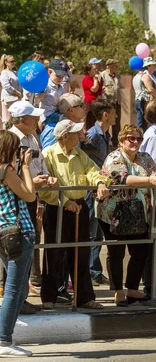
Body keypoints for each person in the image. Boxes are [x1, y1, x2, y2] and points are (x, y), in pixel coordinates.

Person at [38, 120, 110, 310]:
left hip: (79, 207)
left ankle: (84, 297)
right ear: (64, 136)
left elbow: (92, 171)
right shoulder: (49, 155)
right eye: (75, 132)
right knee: (54, 254)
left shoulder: (80, 154)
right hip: (56, 208)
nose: (79, 135)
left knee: (81, 252)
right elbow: (44, 188)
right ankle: (49, 297)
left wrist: (100, 183)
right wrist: (64, 201)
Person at [96, 125, 156, 306]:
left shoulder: (145, 157)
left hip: (141, 212)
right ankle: (118, 291)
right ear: (121, 141)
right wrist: (150, 180)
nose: (135, 142)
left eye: (138, 139)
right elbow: (123, 179)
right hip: (114, 213)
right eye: (130, 138)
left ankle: (133, 290)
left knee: (140, 251)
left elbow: (153, 173)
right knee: (116, 252)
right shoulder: (114, 157)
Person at [7, 101, 57, 304]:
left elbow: (39, 163)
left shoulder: (32, 137)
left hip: (32, 196)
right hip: (17, 200)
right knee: (17, 247)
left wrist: (47, 178)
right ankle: (18, 297)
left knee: (29, 245)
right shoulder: (10, 140)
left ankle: (23, 296)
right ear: (21, 120)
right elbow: (10, 172)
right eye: (33, 117)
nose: (37, 119)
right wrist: (32, 182)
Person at [0, 131, 36, 357]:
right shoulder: (7, 171)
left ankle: (4, 336)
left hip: (5, 233)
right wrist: (25, 167)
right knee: (14, 289)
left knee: (20, 288)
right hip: (17, 233)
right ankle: (4, 340)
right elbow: (30, 195)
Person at [82, 98, 117, 287]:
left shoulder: (104, 134)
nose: (116, 115)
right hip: (92, 190)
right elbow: (87, 161)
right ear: (105, 114)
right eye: (113, 112)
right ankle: (88, 272)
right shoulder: (93, 135)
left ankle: (94, 271)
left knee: (97, 235)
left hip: (101, 189)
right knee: (90, 233)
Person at [99, 59, 121, 146]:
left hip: (117, 102)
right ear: (109, 66)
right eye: (114, 65)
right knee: (107, 121)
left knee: (116, 122)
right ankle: (106, 140)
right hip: (107, 103)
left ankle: (115, 142)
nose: (116, 67)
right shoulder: (102, 75)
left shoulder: (118, 76)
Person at [0, 54, 22, 128]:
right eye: (11, 61)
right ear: (6, 62)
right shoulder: (4, 73)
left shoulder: (15, 72)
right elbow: (6, 86)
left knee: (15, 119)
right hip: (8, 99)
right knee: (7, 120)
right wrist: (17, 92)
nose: (13, 62)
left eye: (14, 61)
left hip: (16, 99)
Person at [81, 64, 102, 129]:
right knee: (89, 121)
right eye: (94, 69)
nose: (96, 70)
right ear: (89, 71)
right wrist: (95, 79)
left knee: (95, 120)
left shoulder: (95, 78)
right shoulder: (87, 79)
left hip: (97, 102)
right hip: (89, 102)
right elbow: (94, 89)